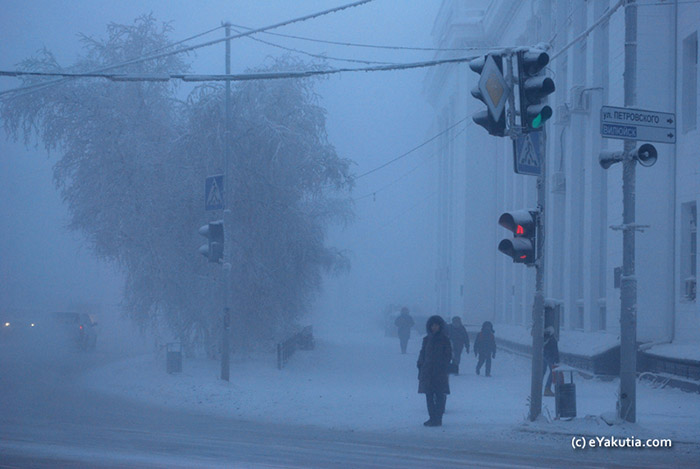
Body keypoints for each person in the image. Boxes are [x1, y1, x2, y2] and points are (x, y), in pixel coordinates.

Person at [417, 315, 452, 427]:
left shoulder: (444, 339)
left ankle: (438, 419)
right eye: (432, 325)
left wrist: (442, 366)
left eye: (436, 325)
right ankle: (432, 418)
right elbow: (422, 354)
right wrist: (420, 365)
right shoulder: (426, 340)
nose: (434, 327)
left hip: (439, 372)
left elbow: (448, 355)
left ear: (440, 326)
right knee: (429, 396)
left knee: (440, 396)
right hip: (427, 372)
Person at [543, 326, 560, 396]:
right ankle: (547, 389)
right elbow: (555, 350)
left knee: (542, 372)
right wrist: (557, 359)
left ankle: (537, 388)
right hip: (551, 357)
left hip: (544, 355)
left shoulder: (544, 338)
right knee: (553, 372)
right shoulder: (552, 339)